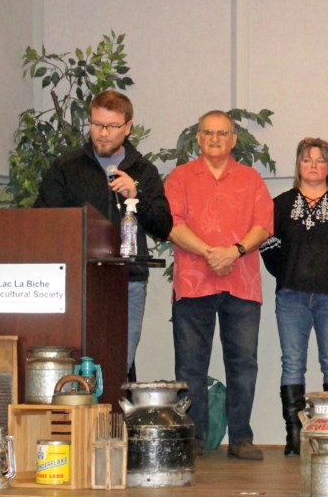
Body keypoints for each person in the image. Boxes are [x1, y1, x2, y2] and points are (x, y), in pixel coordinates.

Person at [35, 89, 172, 375]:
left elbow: (163, 226)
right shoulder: (67, 168)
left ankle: (111, 419)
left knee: (117, 367)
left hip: (128, 282)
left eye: (111, 126)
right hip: (78, 282)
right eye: (97, 124)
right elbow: (43, 220)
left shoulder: (143, 171)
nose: (103, 133)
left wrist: (137, 194)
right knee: (75, 368)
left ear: (128, 127)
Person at [165, 110, 273, 461]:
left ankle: (240, 438)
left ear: (233, 140)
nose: (215, 138)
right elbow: (172, 224)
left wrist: (235, 251)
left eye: (222, 133)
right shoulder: (179, 178)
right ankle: (193, 438)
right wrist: (210, 252)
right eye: (208, 132)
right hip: (192, 283)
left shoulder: (251, 178)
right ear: (197, 138)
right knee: (190, 366)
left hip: (242, 284)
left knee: (243, 364)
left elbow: (264, 224)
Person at [260, 138, 328, 456]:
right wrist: (289, 274)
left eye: (320, 161)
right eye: (307, 160)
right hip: (290, 296)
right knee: (292, 363)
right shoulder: (279, 204)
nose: (314, 166)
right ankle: (295, 436)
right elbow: (268, 246)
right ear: (298, 165)